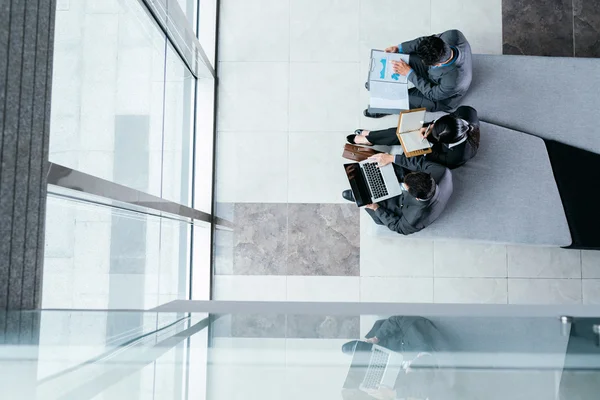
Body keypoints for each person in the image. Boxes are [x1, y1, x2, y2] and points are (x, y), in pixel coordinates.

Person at [341, 316, 454, 400]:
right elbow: (396, 320)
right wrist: (377, 337)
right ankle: (364, 352)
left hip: (390, 364)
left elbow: (422, 390)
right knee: (347, 349)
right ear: (418, 356)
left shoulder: (426, 379)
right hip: (389, 344)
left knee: (363, 386)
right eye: (410, 368)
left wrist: (393, 394)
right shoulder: (417, 334)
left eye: (409, 371)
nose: (407, 369)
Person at [364, 29, 472, 116]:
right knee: (402, 59)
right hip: (436, 73)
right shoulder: (453, 35)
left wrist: (409, 73)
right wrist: (398, 48)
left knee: (405, 98)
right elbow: (425, 41)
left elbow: (432, 94)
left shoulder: (455, 81)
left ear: (437, 64)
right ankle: (379, 82)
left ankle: (383, 108)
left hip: (441, 97)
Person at [342, 153, 452, 235]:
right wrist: (391, 158)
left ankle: (361, 194)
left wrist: (376, 208)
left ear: (417, 198)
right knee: (392, 163)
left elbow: (398, 227)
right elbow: (419, 163)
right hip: (420, 189)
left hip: (400, 205)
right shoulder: (442, 171)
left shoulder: (414, 218)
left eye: (405, 186)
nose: (403, 184)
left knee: (370, 201)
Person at [348, 106, 480, 169]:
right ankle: (370, 138)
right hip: (445, 134)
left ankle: (371, 139)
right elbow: (442, 124)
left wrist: (425, 141)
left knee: (410, 152)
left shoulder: (457, 155)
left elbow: (428, 160)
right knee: (406, 131)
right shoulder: (467, 112)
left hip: (440, 155)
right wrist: (429, 127)